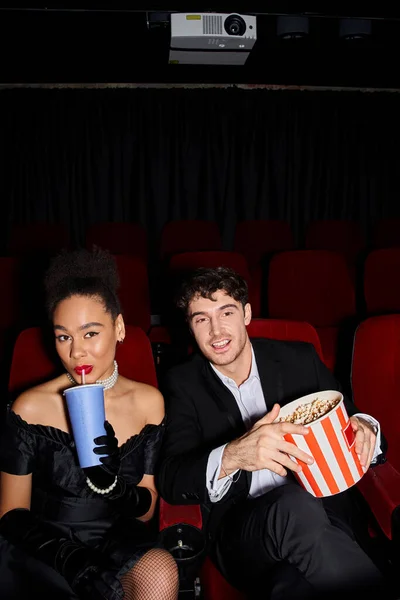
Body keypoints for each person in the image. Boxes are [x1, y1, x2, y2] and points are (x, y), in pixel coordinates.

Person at [157, 266, 391, 599]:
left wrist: (366, 426)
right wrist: (235, 453)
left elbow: (353, 417)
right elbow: (172, 477)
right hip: (243, 533)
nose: (216, 331)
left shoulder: (299, 359)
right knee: (294, 505)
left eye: (226, 312)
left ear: (247, 313)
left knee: (291, 586)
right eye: (201, 319)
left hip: (327, 518)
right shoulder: (182, 383)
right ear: (190, 327)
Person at [0, 247, 179, 600]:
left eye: (90, 333)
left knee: (159, 573)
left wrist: (113, 487)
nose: (77, 352)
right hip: (42, 544)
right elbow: (11, 514)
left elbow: (146, 513)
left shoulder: (149, 402)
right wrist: (70, 559)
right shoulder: (31, 406)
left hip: (116, 539)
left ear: (120, 328)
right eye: (63, 336)